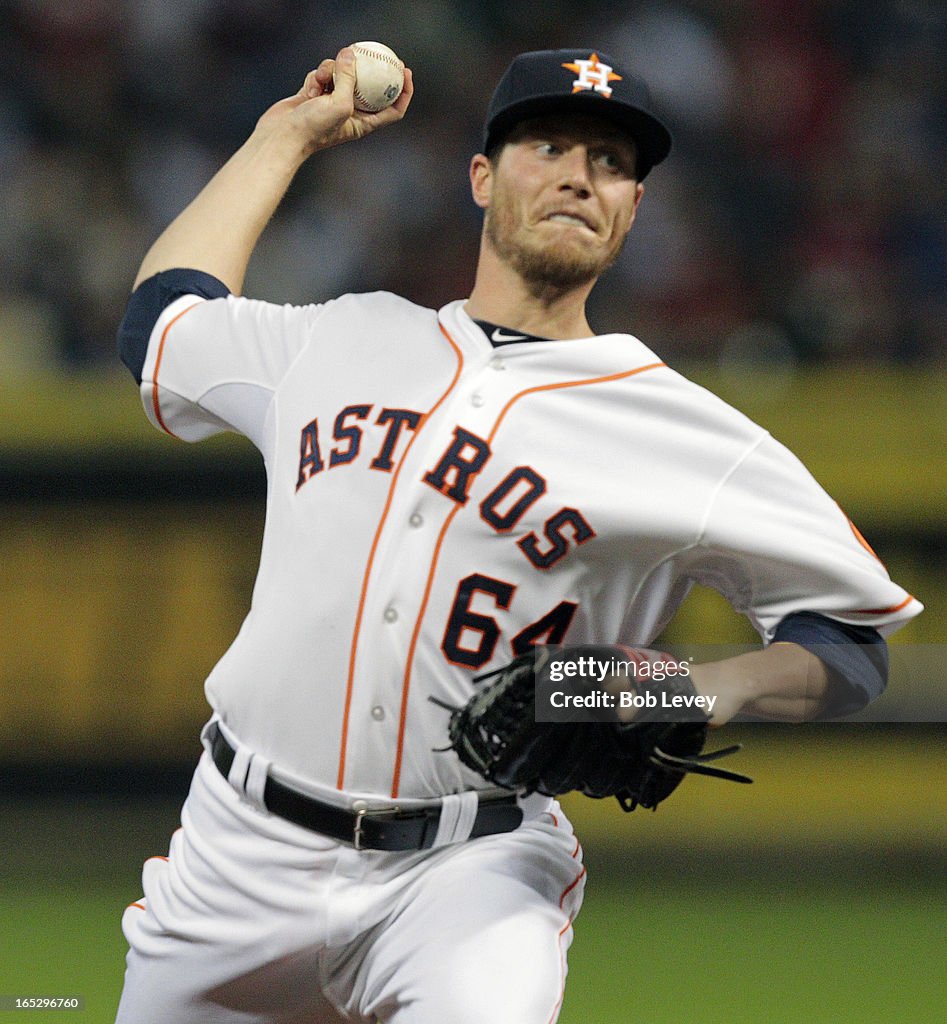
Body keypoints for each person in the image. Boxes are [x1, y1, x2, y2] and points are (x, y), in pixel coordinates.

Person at [114, 46, 921, 1023]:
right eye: (547, 145)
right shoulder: (339, 338)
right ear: (482, 178)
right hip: (237, 850)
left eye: (613, 163)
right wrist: (284, 134)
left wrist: (697, 685)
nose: (580, 174)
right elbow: (162, 325)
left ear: (629, 210)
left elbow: (850, 641)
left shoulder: (692, 435)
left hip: (470, 872)